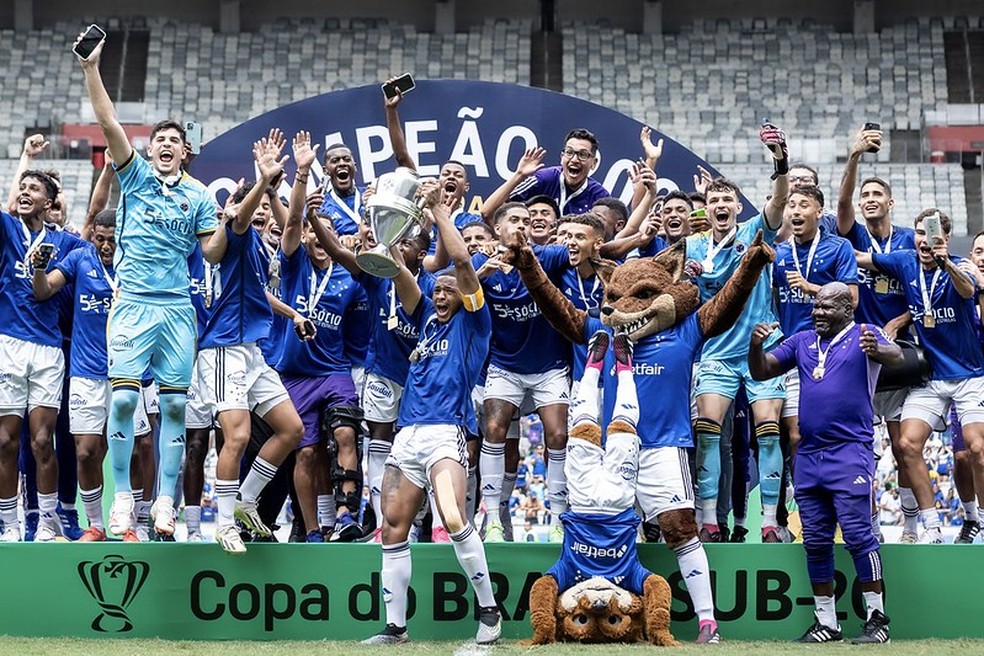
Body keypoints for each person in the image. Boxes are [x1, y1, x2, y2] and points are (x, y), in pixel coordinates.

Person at [77, 32, 224, 538]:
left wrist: (230, 224)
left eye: (173, 140)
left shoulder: (201, 196)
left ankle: (165, 502)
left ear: (185, 152)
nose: (165, 144)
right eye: (158, 139)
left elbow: (212, 251)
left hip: (177, 310)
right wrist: (91, 69)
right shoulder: (134, 177)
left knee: (177, 406)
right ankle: (123, 499)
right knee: (121, 402)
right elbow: (108, 122)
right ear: (150, 149)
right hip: (134, 305)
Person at [362, 188, 500, 646]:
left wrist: (441, 212)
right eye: (435, 289)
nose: (441, 295)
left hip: (447, 431)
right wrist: (390, 226)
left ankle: (489, 611)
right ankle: (395, 628)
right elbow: (398, 268)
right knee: (393, 526)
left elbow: (461, 264)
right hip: (408, 434)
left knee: (454, 518)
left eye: (448, 291)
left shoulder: (474, 321)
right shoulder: (423, 316)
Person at [749, 282, 902, 644]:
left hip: (850, 452)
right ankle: (827, 623)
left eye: (827, 307)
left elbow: (896, 355)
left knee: (859, 537)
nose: (818, 312)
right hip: (809, 454)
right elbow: (762, 370)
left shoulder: (865, 333)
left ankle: (878, 620)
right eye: (815, 306)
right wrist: (755, 346)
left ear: (847, 309)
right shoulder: (803, 341)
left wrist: (879, 348)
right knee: (815, 541)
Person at [195, 135, 309, 554]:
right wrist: (262, 183)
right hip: (223, 348)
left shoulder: (263, 248)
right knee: (237, 437)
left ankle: (244, 500)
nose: (262, 222)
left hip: (252, 351)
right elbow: (240, 220)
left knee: (291, 429)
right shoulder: (238, 233)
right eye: (258, 215)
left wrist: (293, 314)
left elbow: (261, 294)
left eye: (266, 218)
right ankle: (224, 524)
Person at [687, 123, 790, 543]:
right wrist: (687, 280)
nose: (721, 205)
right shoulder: (693, 247)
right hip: (716, 352)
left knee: (767, 432)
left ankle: (769, 522)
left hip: (762, 345)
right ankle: (708, 520)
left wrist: (780, 160)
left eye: (728, 199)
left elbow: (780, 199)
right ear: (706, 209)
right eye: (714, 200)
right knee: (709, 432)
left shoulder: (753, 232)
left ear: (736, 206)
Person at [856, 209, 984, 543]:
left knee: (977, 448)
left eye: (932, 234)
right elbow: (862, 258)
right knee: (907, 444)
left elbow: (968, 292)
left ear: (944, 236)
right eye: (919, 233)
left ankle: (982, 521)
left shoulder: (962, 266)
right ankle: (931, 526)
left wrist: (947, 262)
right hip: (930, 379)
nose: (924, 241)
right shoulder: (904, 261)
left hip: (970, 376)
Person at [278, 131, 368, 543]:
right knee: (308, 452)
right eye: (313, 235)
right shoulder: (295, 266)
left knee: (347, 432)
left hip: (335, 370)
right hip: (295, 375)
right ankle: (313, 528)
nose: (317, 241)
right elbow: (293, 224)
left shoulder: (349, 278)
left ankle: (350, 512)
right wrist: (301, 174)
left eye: (325, 236)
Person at [836, 127, 919, 540]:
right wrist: (854, 158)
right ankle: (867, 525)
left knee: (904, 446)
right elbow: (841, 204)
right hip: (859, 356)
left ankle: (909, 522)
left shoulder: (908, 240)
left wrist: (900, 321)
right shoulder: (852, 233)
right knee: (859, 451)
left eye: (875, 195)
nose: (868, 200)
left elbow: (920, 287)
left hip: (899, 354)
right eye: (864, 195)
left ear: (890, 202)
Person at [473, 203, 572, 542]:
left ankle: (559, 518)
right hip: (505, 365)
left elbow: (593, 248)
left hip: (550, 366)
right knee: (495, 429)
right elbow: (454, 298)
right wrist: (481, 274)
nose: (522, 226)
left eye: (527, 221)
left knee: (558, 436)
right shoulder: (481, 264)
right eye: (514, 220)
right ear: (497, 230)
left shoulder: (548, 256)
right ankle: (494, 520)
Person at [0, 171, 85, 542]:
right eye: (22, 187)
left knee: (41, 440)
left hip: (49, 350)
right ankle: (10, 523)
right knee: (4, 440)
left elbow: (49, 290)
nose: (24, 192)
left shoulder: (66, 244)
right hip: (8, 344)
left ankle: (48, 521)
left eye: (34, 189)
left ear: (50, 204)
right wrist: (26, 162)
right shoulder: (6, 227)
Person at [772, 184, 858, 452]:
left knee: (827, 430)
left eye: (803, 205)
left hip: (831, 352)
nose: (796, 211)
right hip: (792, 351)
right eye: (792, 205)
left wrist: (812, 288)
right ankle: (800, 493)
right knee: (796, 435)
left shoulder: (839, 247)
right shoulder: (781, 253)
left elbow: (852, 299)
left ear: (819, 212)